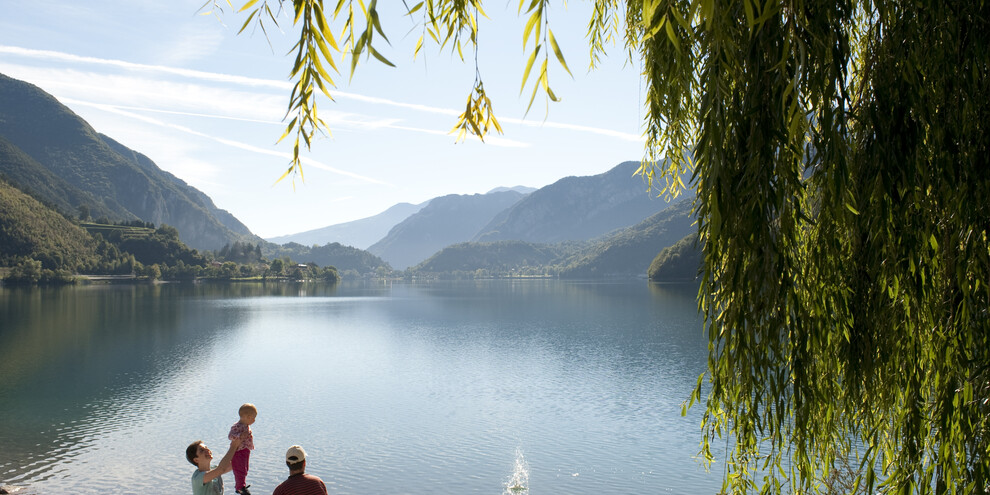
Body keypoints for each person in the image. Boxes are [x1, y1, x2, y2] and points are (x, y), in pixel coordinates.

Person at [228, 403, 258, 495]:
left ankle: (242, 485)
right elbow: (230, 436)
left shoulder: (245, 426)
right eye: (253, 417)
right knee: (240, 468)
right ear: (247, 417)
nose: (254, 420)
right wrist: (239, 436)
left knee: (245, 469)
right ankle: (240, 487)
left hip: (245, 450)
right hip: (238, 451)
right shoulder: (237, 426)